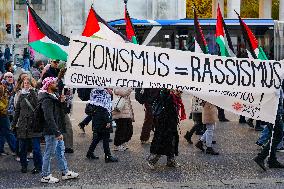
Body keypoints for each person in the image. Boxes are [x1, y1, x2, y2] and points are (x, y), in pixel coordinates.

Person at [39, 77, 78, 183]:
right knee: (49, 152)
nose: (56, 84)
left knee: (60, 152)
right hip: (51, 130)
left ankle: (65, 172)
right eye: (54, 83)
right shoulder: (46, 99)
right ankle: (45, 175)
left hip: (57, 129)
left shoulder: (54, 96)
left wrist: (61, 102)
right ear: (48, 85)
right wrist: (56, 132)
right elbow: (49, 117)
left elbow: (61, 112)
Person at [147, 89, 185, 169]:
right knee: (161, 142)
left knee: (172, 142)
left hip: (172, 124)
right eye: (177, 90)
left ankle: (170, 161)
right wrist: (167, 90)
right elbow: (163, 97)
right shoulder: (166, 95)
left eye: (181, 91)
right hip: (163, 124)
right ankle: (152, 161)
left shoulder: (176, 99)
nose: (179, 92)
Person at [11, 77, 42, 174]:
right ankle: (24, 166)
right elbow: (17, 111)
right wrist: (13, 123)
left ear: (32, 84)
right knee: (22, 149)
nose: (26, 85)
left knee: (36, 149)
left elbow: (38, 105)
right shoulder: (21, 95)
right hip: (23, 126)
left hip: (34, 126)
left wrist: (32, 92)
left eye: (28, 83)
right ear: (22, 84)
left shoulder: (36, 94)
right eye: (25, 83)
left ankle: (38, 167)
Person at [253, 86, 284, 171]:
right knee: (278, 136)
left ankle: (272, 160)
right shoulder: (272, 82)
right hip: (273, 114)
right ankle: (261, 157)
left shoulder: (275, 81)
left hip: (274, 112)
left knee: (274, 136)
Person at [85, 88, 118, 163]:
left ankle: (90, 153)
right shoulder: (103, 93)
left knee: (98, 137)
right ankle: (108, 156)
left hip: (97, 118)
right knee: (105, 138)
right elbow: (104, 109)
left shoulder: (94, 91)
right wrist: (108, 121)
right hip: (103, 119)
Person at [0, 81, 16, 156]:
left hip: (3, 113)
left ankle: (1, 149)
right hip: (3, 114)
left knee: (2, 132)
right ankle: (16, 149)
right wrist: (5, 109)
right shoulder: (2, 88)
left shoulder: (4, 89)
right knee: (8, 132)